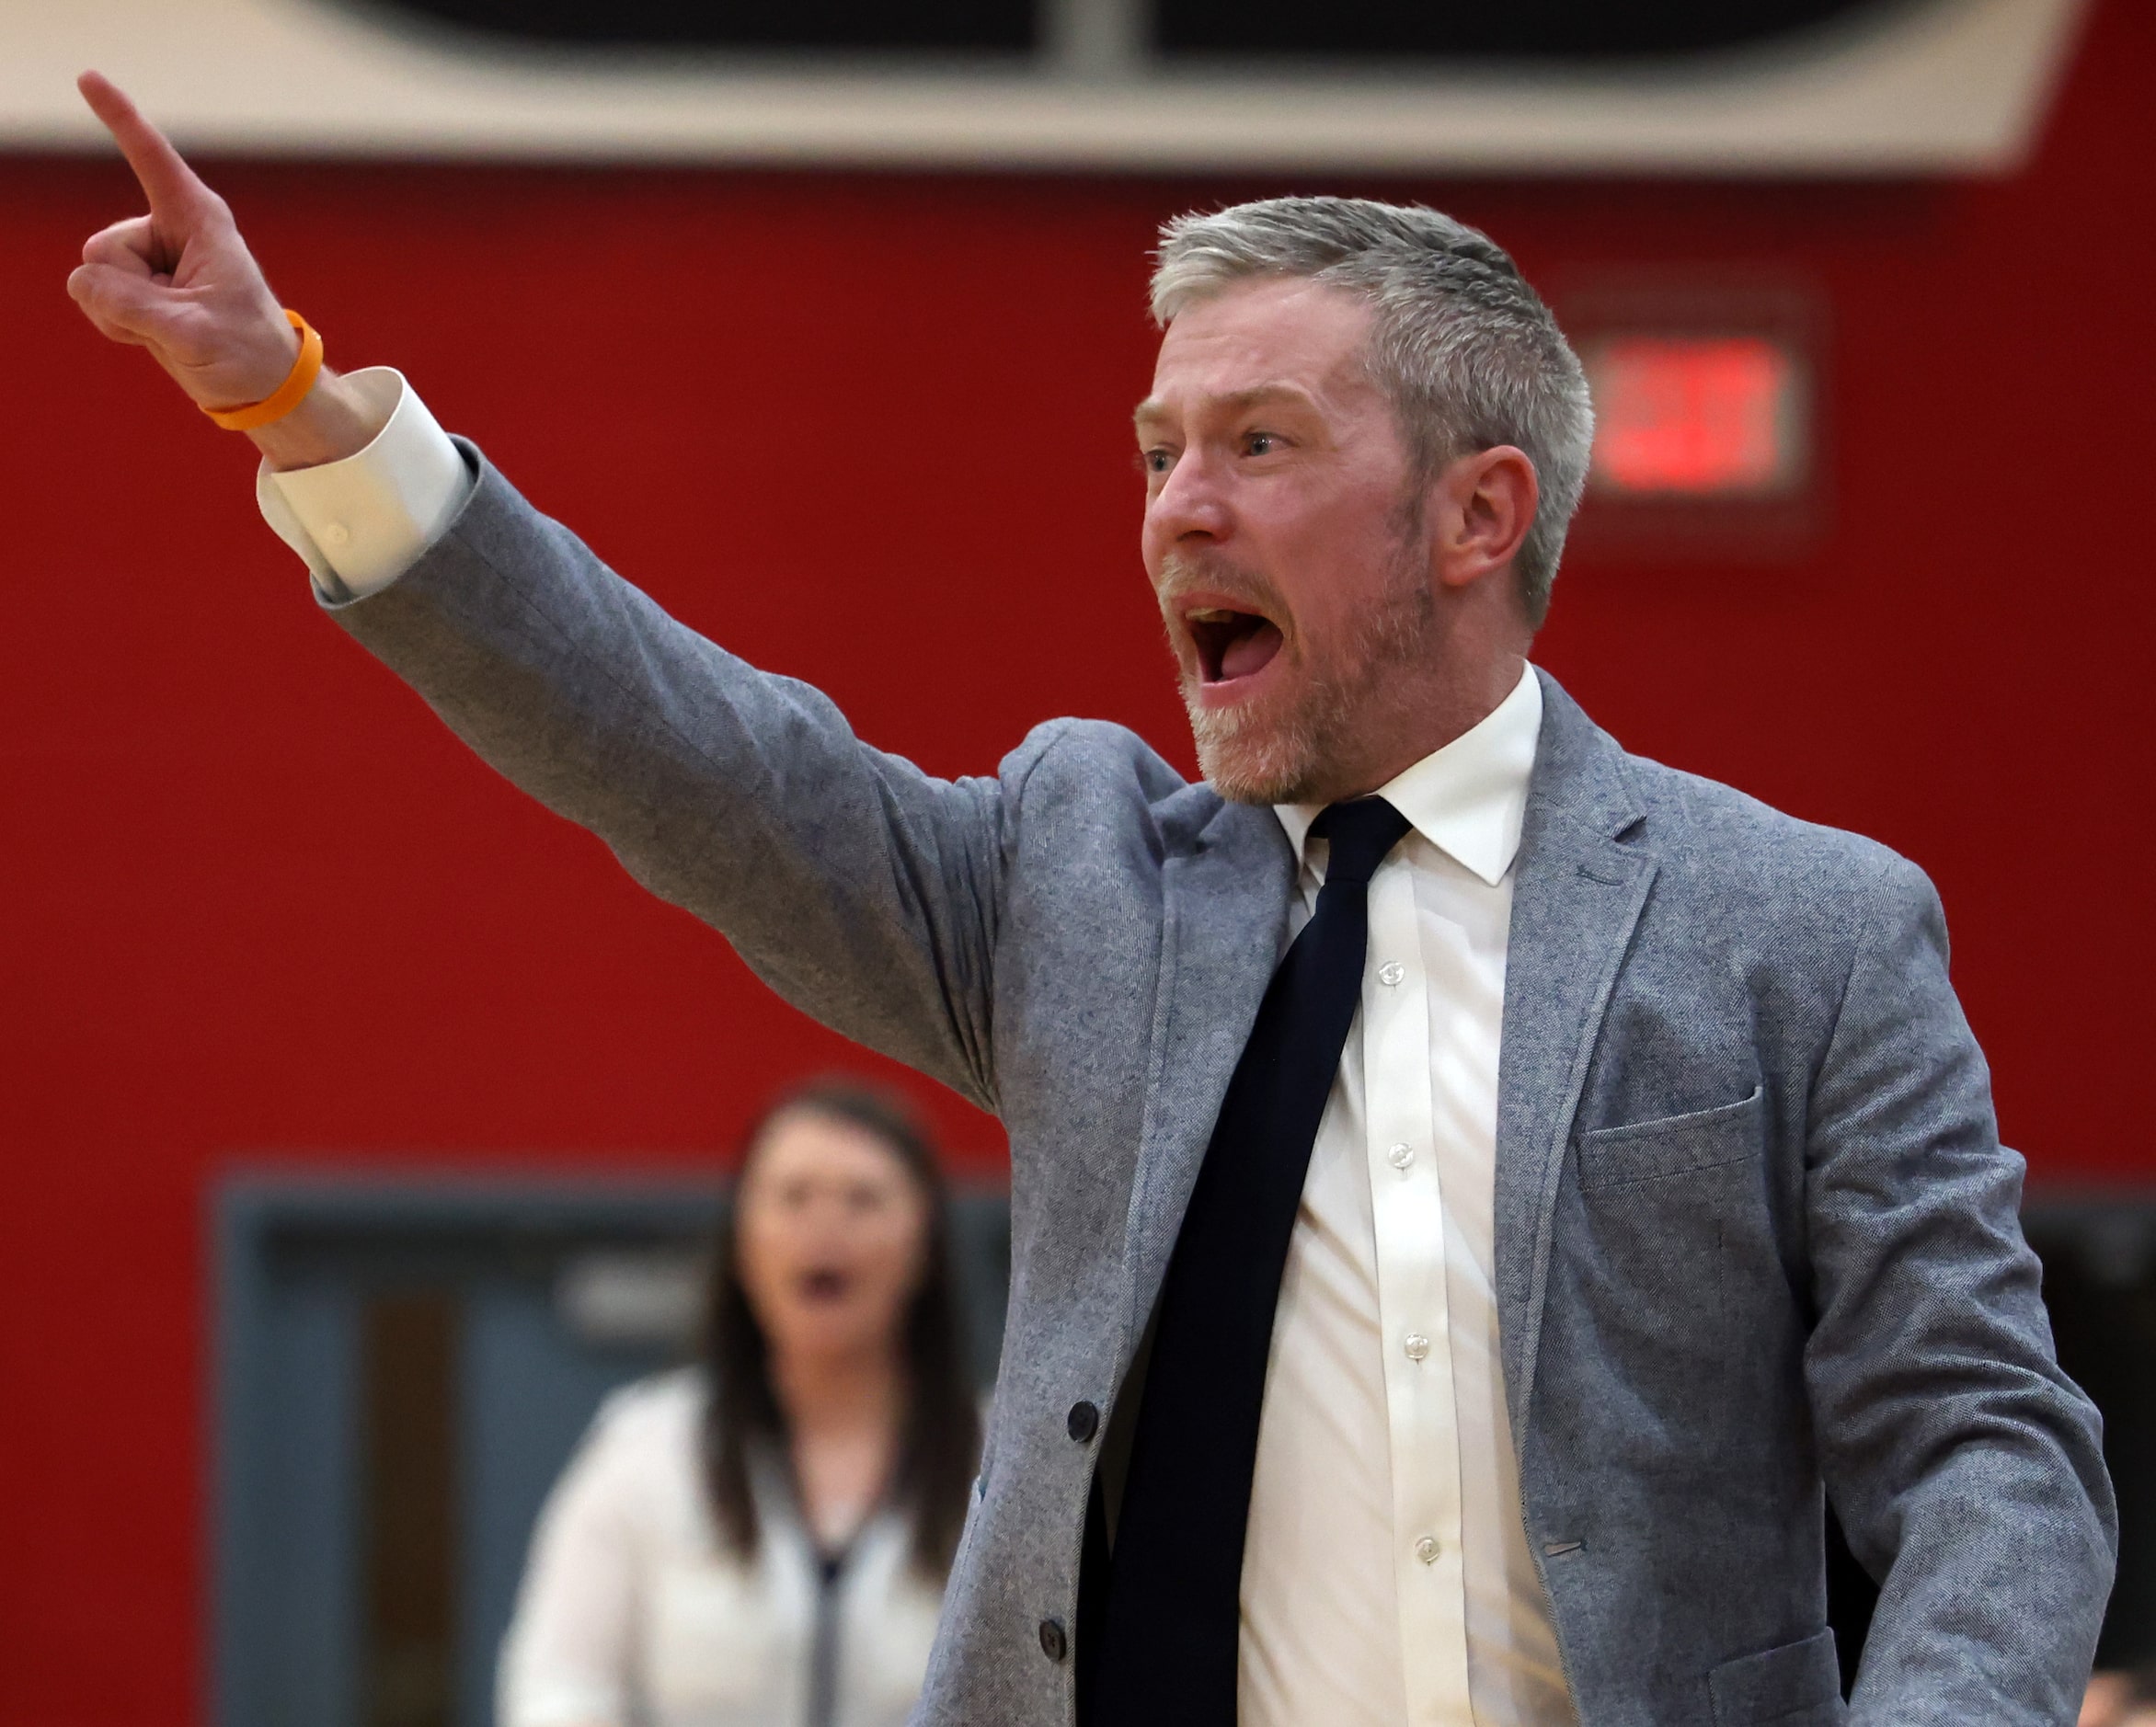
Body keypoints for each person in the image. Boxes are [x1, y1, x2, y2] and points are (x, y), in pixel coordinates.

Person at [69, 69, 2116, 1727]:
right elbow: (696, 758)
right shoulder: (1080, 881)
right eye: (1155, 450)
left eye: (1255, 441)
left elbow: (1985, 1457)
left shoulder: (1803, 930)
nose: (1175, 508)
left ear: (1475, 515)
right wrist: (309, 418)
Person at [498, 1079, 981, 1727]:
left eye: (863, 1199)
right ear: (742, 1244)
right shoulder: (645, 1449)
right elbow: (559, 1691)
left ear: (924, 1245)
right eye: (793, 1196)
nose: (824, 1226)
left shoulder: (1000, 1461)